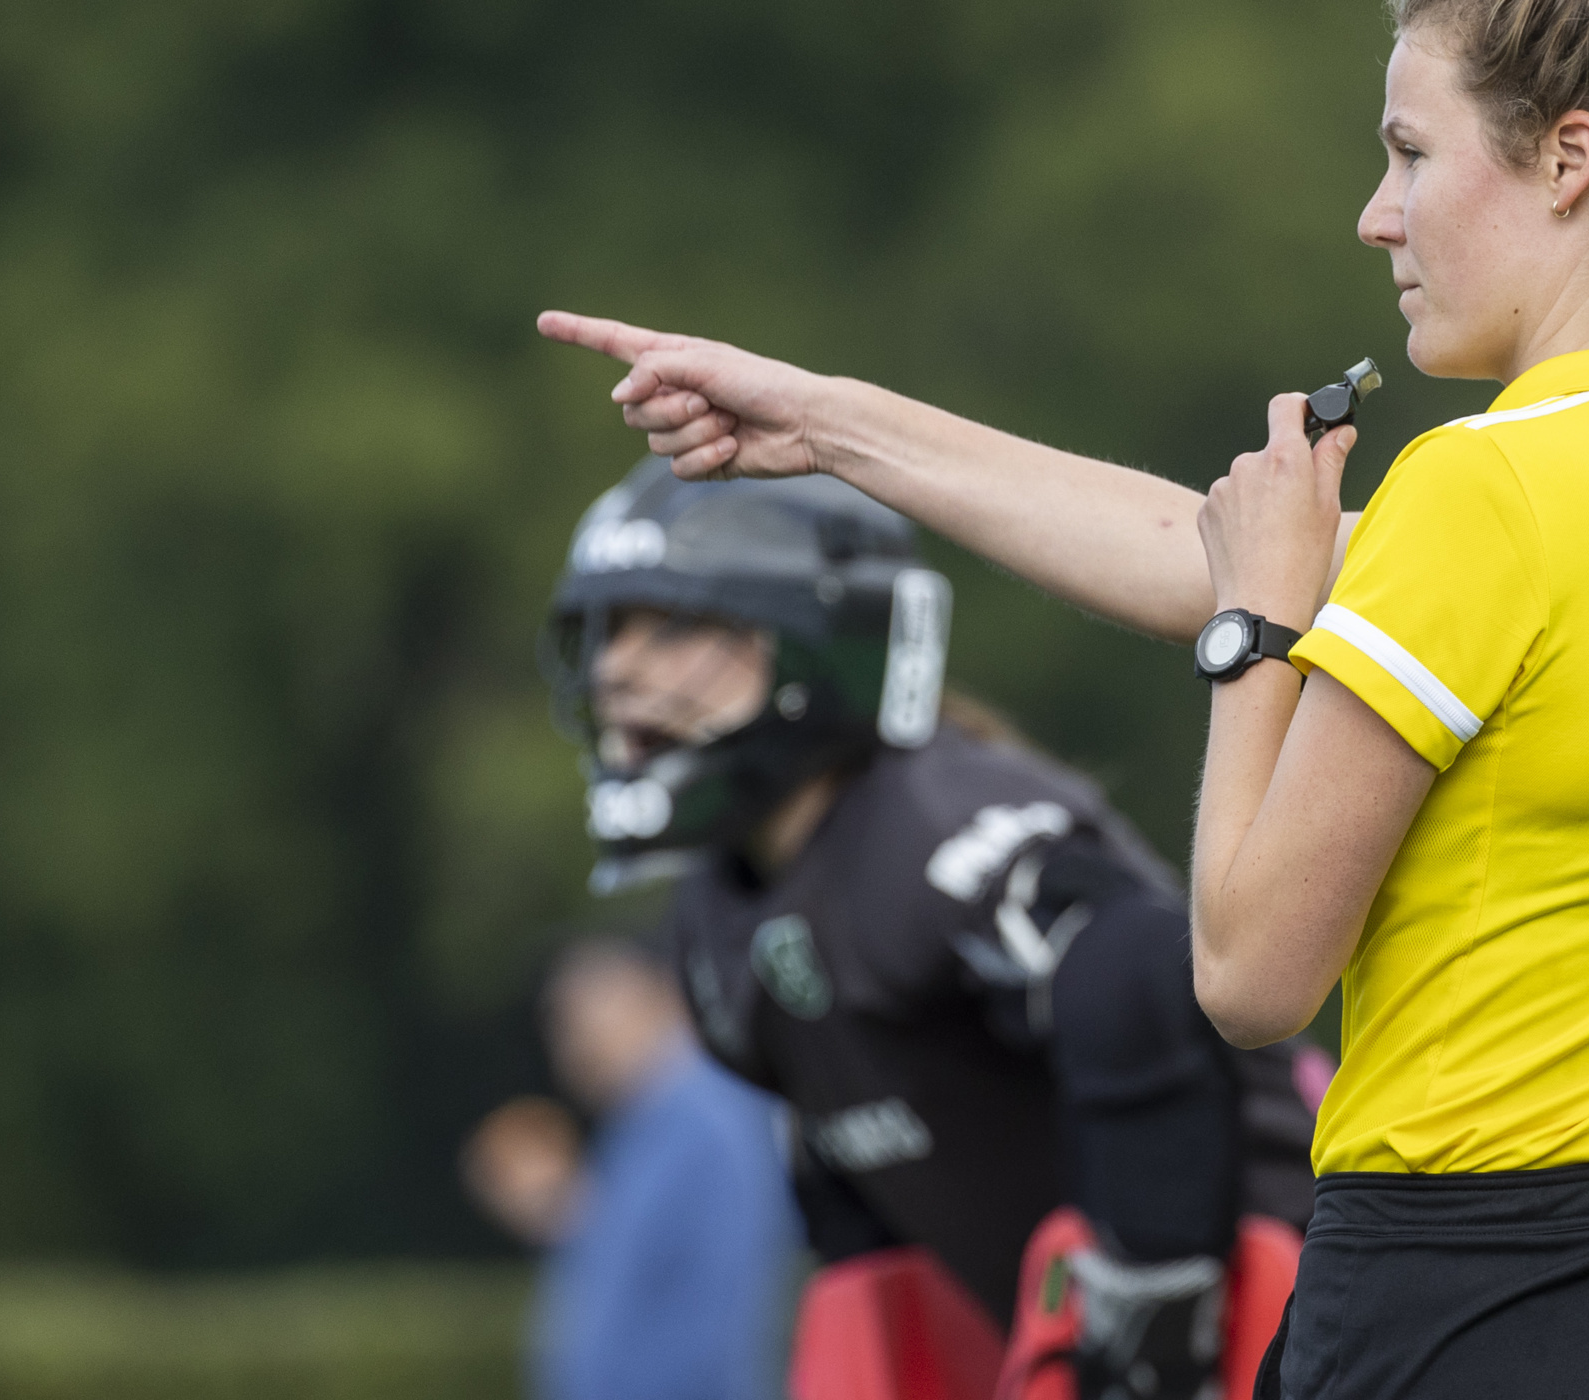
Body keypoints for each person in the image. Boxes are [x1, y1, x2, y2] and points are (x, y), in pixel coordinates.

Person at [537, 0, 1589, 1390]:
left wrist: (1257, 633)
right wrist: (828, 423)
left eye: (1409, 154)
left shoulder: (1482, 490)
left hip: (1479, 1297)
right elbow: (1191, 548)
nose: (1376, 217)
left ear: (1571, 159)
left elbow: (1251, 973)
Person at [540, 461, 1318, 1400]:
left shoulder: (935, 821)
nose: (618, 667)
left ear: (808, 642)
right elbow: (860, 1189)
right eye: (611, 630)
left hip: (1295, 1294)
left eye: (671, 626)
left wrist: (1149, 1294)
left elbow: (1138, 968)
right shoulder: (720, 911)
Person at [464, 938, 802, 1400]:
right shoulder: (638, 1131)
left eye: (574, 1020)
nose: (566, 1048)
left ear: (642, 1000)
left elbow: (730, 1311)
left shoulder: (709, 1121)